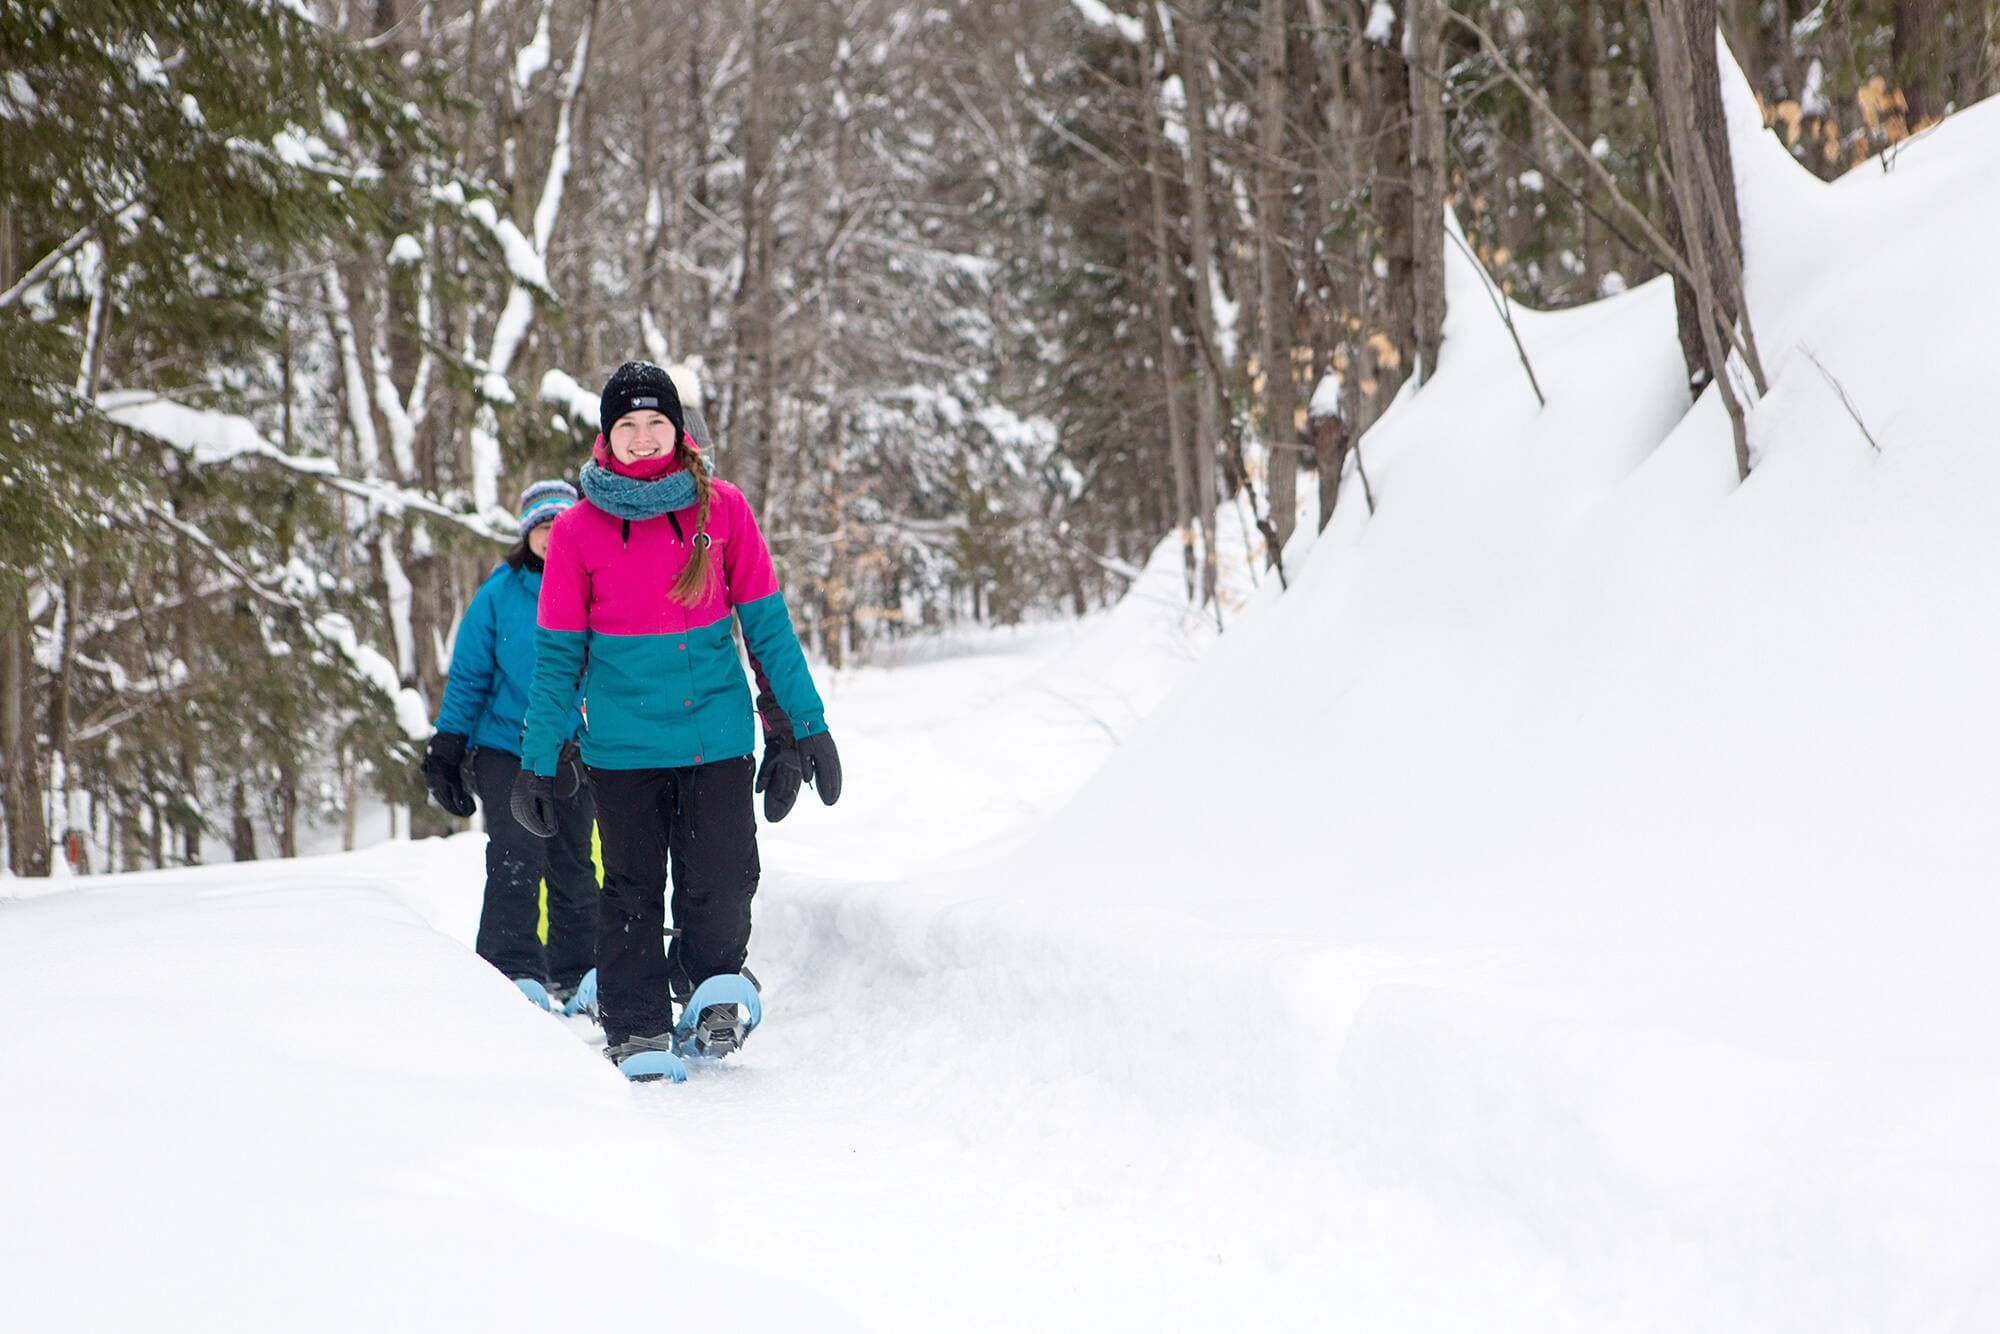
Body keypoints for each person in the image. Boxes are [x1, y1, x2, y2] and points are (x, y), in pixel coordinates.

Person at [510, 361, 840, 1062]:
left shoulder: (723, 510)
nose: (640, 436)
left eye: (654, 421)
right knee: (630, 889)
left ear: (677, 428)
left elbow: (768, 629)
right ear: (606, 436)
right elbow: (558, 659)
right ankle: (635, 1023)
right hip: (623, 749)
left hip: (715, 736)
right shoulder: (574, 532)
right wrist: (539, 758)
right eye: (625, 425)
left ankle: (708, 985)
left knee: (723, 879)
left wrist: (800, 725)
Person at [420, 481, 600, 1013]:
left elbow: (608, 669)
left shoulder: (597, 587)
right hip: (506, 748)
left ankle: (579, 968)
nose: (552, 536)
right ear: (527, 535)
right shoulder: (499, 594)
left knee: (575, 857)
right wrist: (448, 746)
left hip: (576, 748)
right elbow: (469, 676)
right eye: (543, 527)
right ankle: (510, 968)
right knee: (517, 853)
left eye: (562, 526)